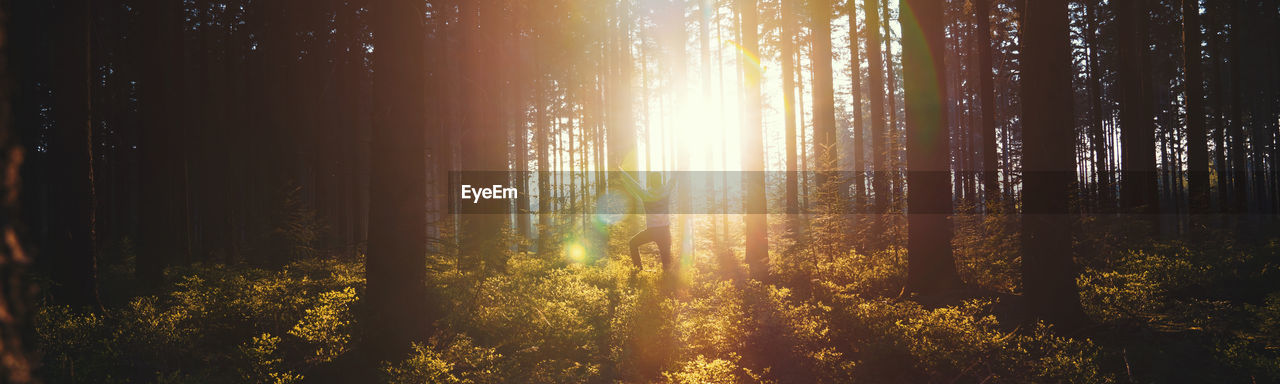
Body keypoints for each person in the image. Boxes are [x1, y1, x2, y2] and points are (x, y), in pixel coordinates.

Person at [615, 167, 678, 272]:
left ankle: (639, 270)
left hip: (652, 231)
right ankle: (668, 282)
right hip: (665, 232)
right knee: (667, 266)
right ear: (660, 181)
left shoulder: (645, 194)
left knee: (633, 243)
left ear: (651, 183)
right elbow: (673, 180)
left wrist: (620, 170)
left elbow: (632, 184)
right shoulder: (665, 192)